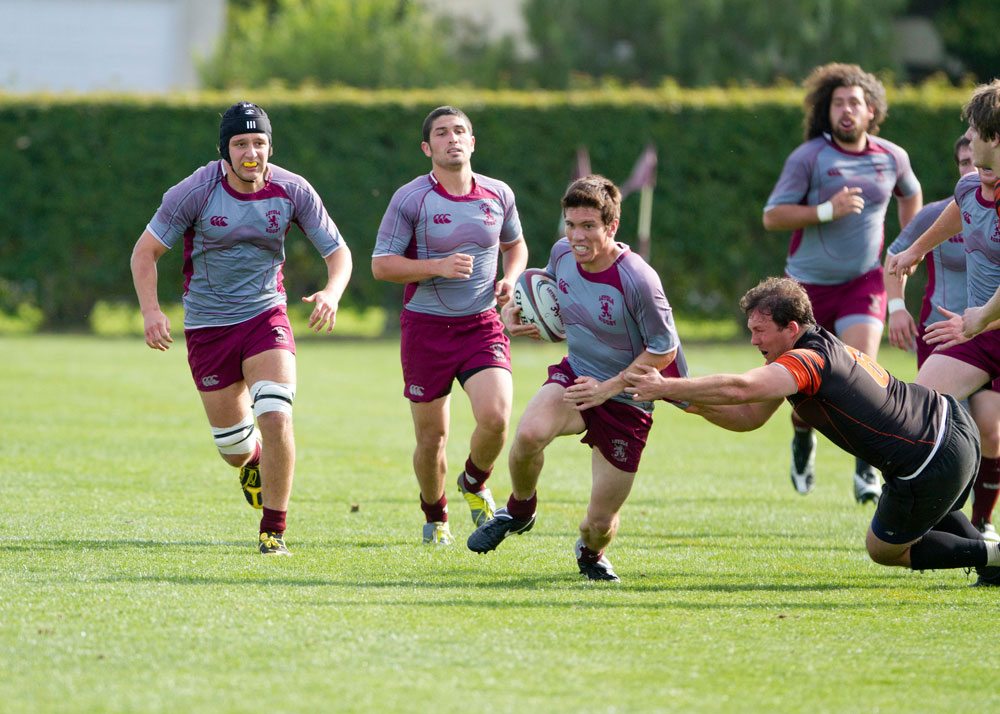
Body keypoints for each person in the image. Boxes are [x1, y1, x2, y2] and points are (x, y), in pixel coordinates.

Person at [623, 277, 1000, 587]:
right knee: (931, 513)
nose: (753, 340)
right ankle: (991, 565)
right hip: (951, 425)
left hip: (930, 456)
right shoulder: (809, 351)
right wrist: (683, 400)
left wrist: (668, 386)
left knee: (883, 549)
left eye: (760, 331)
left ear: (790, 328)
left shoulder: (809, 359)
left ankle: (994, 554)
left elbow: (742, 388)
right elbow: (750, 415)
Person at [130, 101, 352, 556]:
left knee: (275, 413)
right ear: (224, 151)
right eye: (240, 144)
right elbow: (145, 253)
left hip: (265, 315)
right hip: (209, 326)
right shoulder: (195, 191)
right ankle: (252, 463)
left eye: (259, 143)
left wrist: (332, 292)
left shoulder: (293, 190)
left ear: (270, 146)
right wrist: (151, 312)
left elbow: (339, 253)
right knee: (233, 447)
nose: (251, 152)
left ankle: (273, 529)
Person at [466, 175, 687, 582]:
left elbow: (664, 350)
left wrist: (611, 387)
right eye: (570, 224)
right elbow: (548, 295)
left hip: (626, 399)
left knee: (599, 522)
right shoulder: (561, 253)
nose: (576, 236)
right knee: (528, 436)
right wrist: (519, 316)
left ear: (611, 227)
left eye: (588, 227)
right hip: (578, 376)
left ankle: (590, 553)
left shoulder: (638, 279)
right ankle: (520, 509)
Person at [762, 63, 922, 504]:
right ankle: (802, 437)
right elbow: (772, 216)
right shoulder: (809, 157)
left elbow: (911, 193)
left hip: (863, 282)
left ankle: (866, 471)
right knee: (804, 390)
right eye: (838, 103)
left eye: (855, 103)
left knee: (861, 374)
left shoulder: (892, 157)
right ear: (827, 111)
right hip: (805, 290)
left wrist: (909, 242)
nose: (846, 110)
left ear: (872, 111)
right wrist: (826, 211)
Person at [372, 106, 528, 546]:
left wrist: (510, 279)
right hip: (426, 330)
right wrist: (437, 266)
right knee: (432, 438)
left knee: (496, 419)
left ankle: (475, 481)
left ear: (473, 142)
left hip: (481, 325)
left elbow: (516, 246)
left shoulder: (498, 194)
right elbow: (381, 266)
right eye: (442, 133)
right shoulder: (411, 198)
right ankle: (435, 515)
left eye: (461, 131)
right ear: (428, 148)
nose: (453, 138)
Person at [884, 136, 1000, 542]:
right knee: (914, 413)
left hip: (976, 322)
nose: (973, 156)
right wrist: (915, 250)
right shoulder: (970, 188)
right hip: (970, 329)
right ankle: (945, 522)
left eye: (981, 138)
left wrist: (981, 317)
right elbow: (956, 210)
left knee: (993, 433)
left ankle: (980, 522)